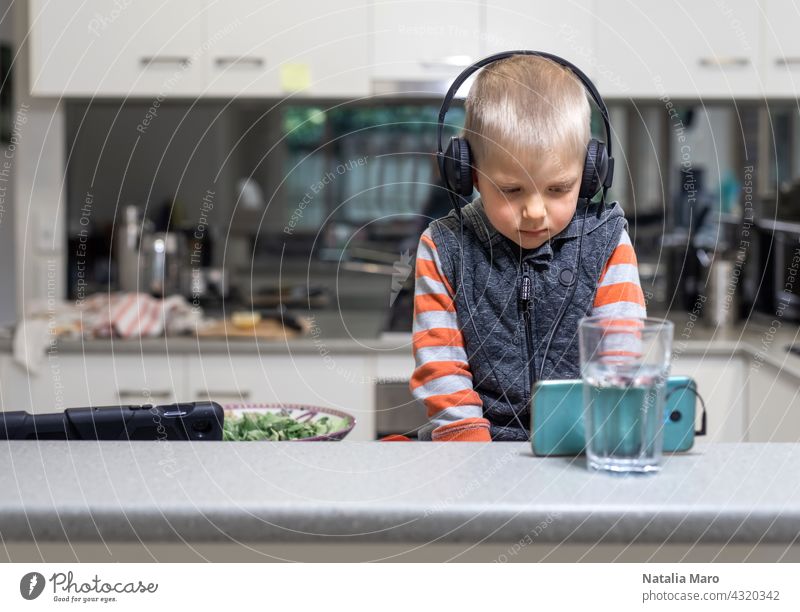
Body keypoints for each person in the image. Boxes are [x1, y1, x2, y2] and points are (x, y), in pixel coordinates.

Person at [410, 54, 647, 442]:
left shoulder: (607, 242)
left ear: (590, 174)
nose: (535, 212)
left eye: (558, 189)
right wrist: (472, 453)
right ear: (468, 174)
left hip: (579, 443)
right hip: (474, 445)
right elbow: (442, 365)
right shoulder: (443, 247)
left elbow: (618, 354)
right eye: (511, 190)